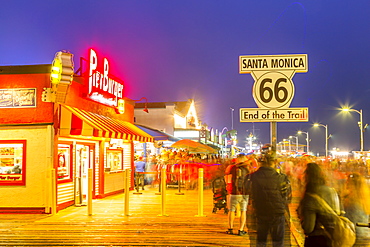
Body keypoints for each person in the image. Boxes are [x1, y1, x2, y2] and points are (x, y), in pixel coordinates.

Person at [250, 144, 290, 247]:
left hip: (260, 211)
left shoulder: (253, 177)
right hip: (277, 212)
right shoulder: (281, 178)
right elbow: (287, 196)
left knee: (261, 240)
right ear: (275, 162)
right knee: (277, 241)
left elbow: (247, 191)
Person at [298, 162, 341, 247]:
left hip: (317, 240)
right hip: (335, 237)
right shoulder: (332, 191)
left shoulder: (310, 196)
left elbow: (308, 228)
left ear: (307, 177)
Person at [224, 154, 250, 236]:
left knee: (231, 210)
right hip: (244, 192)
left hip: (234, 192)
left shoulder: (232, 168)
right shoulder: (248, 169)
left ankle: (230, 228)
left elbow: (227, 179)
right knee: (243, 211)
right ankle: (241, 230)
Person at [343, 172, 370, 244]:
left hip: (354, 237)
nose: (346, 184)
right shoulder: (366, 200)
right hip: (366, 236)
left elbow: (345, 219)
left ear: (352, 185)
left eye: (348, 182)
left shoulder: (349, 201)